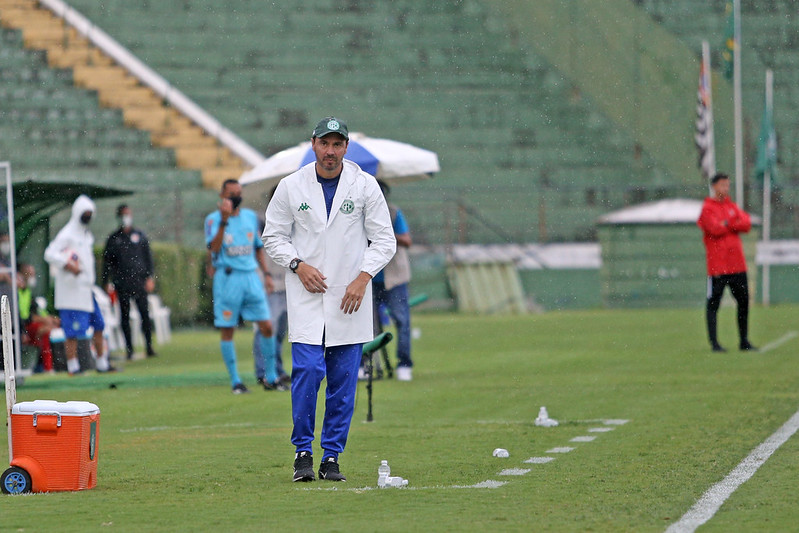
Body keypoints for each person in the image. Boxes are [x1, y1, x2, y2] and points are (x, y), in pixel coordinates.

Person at [263, 116, 396, 482]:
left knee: (343, 382)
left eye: (338, 145)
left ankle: (332, 457)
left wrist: (363, 277)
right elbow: (272, 236)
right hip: (306, 297)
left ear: (346, 148)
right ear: (313, 144)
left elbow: (384, 240)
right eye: (325, 144)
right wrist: (296, 264)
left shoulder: (365, 185)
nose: (331, 151)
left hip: (349, 299)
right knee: (306, 372)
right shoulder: (291, 186)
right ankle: (303, 452)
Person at [205, 179, 284, 394]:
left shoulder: (250, 217)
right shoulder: (213, 220)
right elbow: (214, 247)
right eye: (231, 194)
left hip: (251, 276)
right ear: (222, 194)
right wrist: (223, 220)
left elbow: (258, 247)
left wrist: (266, 274)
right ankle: (235, 381)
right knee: (228, 328)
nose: (235, 197)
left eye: (238, 193)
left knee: (267, 325)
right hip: (228, 277)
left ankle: (271, 377)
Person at [43, 195, 114, 374]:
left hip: (86, 291)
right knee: (72, 332)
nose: (88, 216)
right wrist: (67, 264)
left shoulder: (86, 233)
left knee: (99, 325)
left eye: (90, 213)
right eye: (85, 213)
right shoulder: (67, 233)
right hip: (71, 292)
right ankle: (73, 367)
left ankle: (102, 363)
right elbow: (50, 253)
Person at [697, 173, 757, 352]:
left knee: (743, 302)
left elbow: (746, 223)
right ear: (714, 186)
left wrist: (727, 223)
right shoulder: (708, 208)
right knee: (714, 304)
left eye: (727, 185)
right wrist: (732, 223)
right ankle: (714, 344)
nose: (725, 189)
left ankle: (744, 341)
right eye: (722, 185)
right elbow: (714, 228)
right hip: (717, 267)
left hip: (737, 265)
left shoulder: (732, 206)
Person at [102, 204, 157, 359]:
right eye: (123, 214)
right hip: (122, 283)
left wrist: (149, 277)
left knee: (144, 314)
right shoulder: (114, 239)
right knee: (124, 316)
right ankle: (129, 349)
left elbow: (148, 258)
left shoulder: (139, 235)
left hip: (139, 281)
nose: (125, 218)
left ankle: (149, 346)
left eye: (128, 214)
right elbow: (107, 263)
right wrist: (106, 281)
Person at [372, 180, 414, 381]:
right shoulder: (359, 214)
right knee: (365, 325)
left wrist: (388, 234)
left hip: (394, 277)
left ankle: (404, 363)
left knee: (401, 320)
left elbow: (407, 240)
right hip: (368, 277)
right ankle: (367, 364)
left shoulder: (394, 213)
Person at [17, 263, 59, 373]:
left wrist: (50, 318)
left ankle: (42, 365)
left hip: (28, 326)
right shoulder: (16, 292)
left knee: (51, 326)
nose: (32, 277)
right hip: (21, 326)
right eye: (30, 274)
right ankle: (47, 367)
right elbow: (25, 316)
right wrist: (44, 320)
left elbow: (37, 311)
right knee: (45, 331)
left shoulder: (28, 291)